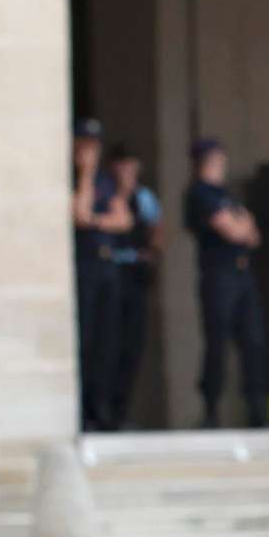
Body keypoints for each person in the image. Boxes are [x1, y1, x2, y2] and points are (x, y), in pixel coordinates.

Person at [184, 136, 269, 430]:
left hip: (242, 273)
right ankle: (210, 410)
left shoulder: (226, 195)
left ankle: (258, 408)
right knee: (217, 343)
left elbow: (253, 234)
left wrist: (242, 226)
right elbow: (233, 230)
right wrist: (241, 226)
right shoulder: (200, 193)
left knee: (253, 341)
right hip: (218, 275)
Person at [98, 145, 165, 430]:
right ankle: (102, 412)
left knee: (133, 346)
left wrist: (153, 251)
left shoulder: (145, 198)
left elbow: (157, 228)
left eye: (132, 168)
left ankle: (121, 411)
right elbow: (119, 220)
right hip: (111, 272)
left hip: (136, 274)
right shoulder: (108, 193)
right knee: (108, 343)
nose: (128, 174)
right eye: (122, 168)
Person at [70, 118, 128, 432]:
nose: (90, 150)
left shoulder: (106, 181)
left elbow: (123, 220)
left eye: (94, 145)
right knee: (87, 338)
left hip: (108, 266)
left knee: (109, 340)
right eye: (84, 144)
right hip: (85, 265)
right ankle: (83, 410)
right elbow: (78, 215)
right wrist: (86, 174)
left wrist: (95, 219)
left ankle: (102, 408)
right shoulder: (77, 178)